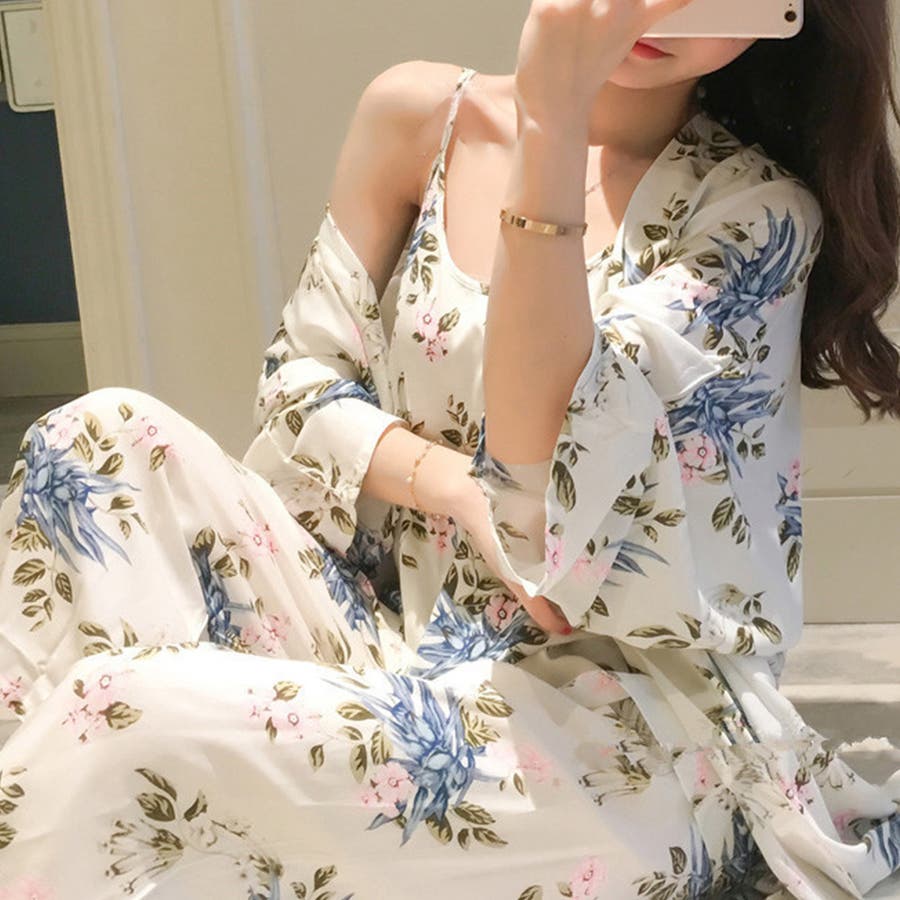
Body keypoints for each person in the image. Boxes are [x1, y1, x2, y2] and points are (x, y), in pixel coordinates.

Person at [1, 0, 899, 896]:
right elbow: (300, 386)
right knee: (97, 440)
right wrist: (455, 488)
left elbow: (542, 474)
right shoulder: (423, 120)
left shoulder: (754, 213)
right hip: (406, 643)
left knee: (129, 716)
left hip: (609, 737)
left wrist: (552, 126)